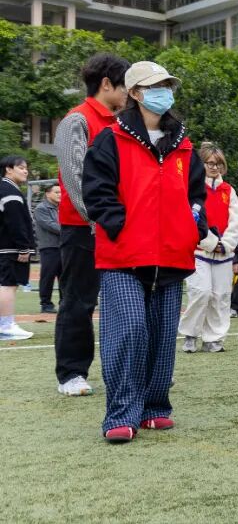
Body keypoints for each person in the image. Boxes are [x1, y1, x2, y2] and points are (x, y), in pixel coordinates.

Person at [83, 60, 207, 443]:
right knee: (130, 329)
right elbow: (97, 194)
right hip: (123, 256)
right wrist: (120, 227)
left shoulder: (184, 145)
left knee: (162, 334)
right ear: (135, 93)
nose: (164, 92)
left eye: (167, 85)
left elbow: (197, 196)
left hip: (172, 255)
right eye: (156, 86)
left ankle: (155, 408)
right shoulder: (110, 139)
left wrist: (194, 226)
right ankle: (121, 413)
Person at [53, 53, 130, 396]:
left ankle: (125, 369)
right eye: (125, 86)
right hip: (84, 229)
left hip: (116, 227)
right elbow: (75, 179)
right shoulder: (77, 120)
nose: (129, 93)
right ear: (107, 84)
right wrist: (100, 221)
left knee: (122, 301)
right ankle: (71, 374)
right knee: (79, 301)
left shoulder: (121, 124)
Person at [177, 143, 238, 353]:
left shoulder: (228, 190)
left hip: (224, 253)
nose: (214, 167)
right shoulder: (193, 189)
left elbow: (237, 219)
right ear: (202, 164)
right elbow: (191, 219)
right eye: (210, 163)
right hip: (198, 251)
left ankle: (214, 338)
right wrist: (210, 243)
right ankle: (190, 334)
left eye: (218, 164)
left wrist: (226, 244)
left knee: (221, 296)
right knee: (201, 292)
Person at [0, 156, 35, 340]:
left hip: (5, 246)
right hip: (9, 248)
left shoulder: (6, 188)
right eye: (21, 167)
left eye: (26, 168)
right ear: (8, 169)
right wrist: (23, 248)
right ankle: (6, 326)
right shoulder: (9, 190)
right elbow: (16, 222)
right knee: (8, 285)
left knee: (5, 285)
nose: (25, 171)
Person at [33, 183, 63, 313]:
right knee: (48, 276)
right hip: (49, 247)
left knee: (65, 276)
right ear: (47, 194)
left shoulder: (62, 207)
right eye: (56, 192)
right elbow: (50, 225)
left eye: (61, 192)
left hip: (64, 247)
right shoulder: (41, 208)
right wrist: (69, 230)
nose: (60, 195)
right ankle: (46, 304)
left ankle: (64, 303)